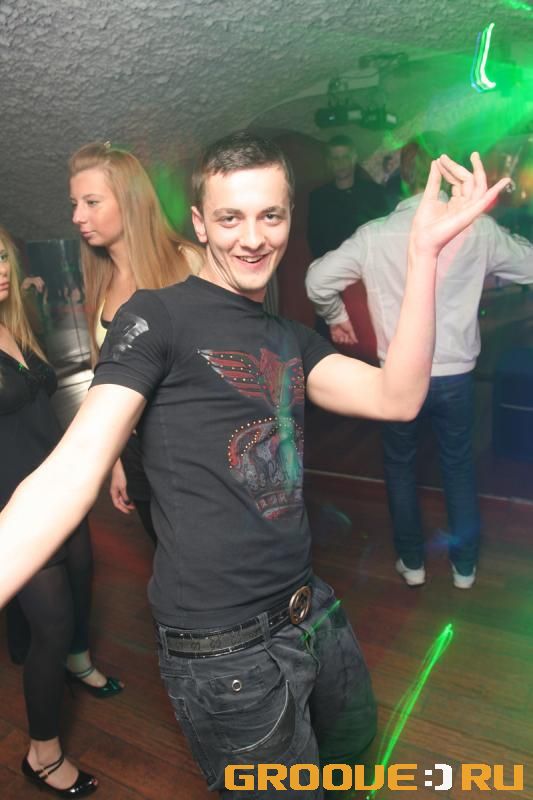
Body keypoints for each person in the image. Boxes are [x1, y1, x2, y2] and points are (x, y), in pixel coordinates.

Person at [0, 133, 509, 798]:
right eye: (230, 217)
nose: (252, 238)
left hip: (310, 608)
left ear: (289, 217)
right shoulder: (156, 316)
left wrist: (424, 255)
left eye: (270, 215)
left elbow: (398, 396)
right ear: (199, 223)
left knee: (353, 751)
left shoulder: (289, 338)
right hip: (222, 647)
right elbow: (71, 471)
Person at [305, 135, 533, 590]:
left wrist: (336, 317)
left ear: (401, 177)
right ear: (449, 174)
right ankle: (464, 568)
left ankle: (412, 563)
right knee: (458, 465)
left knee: (400, 467)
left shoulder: (375, 234)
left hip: (396, 378)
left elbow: (317, 280)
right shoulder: (479, 230)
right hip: (456, 377)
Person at [0, 226, 106, 797]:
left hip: (58, 481)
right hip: (16, 505)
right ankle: (41, 754)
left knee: (84, 576)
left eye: (1, 257)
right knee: (52, 624)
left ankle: (78, 664)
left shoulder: (16, 324)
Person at [69, 142, 203, 542]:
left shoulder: (187, 262)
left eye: (92, 202)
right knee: (163, 551)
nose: (78, 216)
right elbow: (104, 384)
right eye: (75, 204)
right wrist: (116, 463)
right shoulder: (101, 281)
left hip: (194, 449)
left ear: (129, 201)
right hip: (137, 453)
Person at [307, 134, 387, 260]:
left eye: (345, 157)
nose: (340, 163)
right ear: (329, 162)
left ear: (354, 158)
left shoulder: (374, 193)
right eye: (335, 158)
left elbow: (384, 234)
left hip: (370, 261)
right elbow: (315, 240)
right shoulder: (319, 198)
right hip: (335, 263)